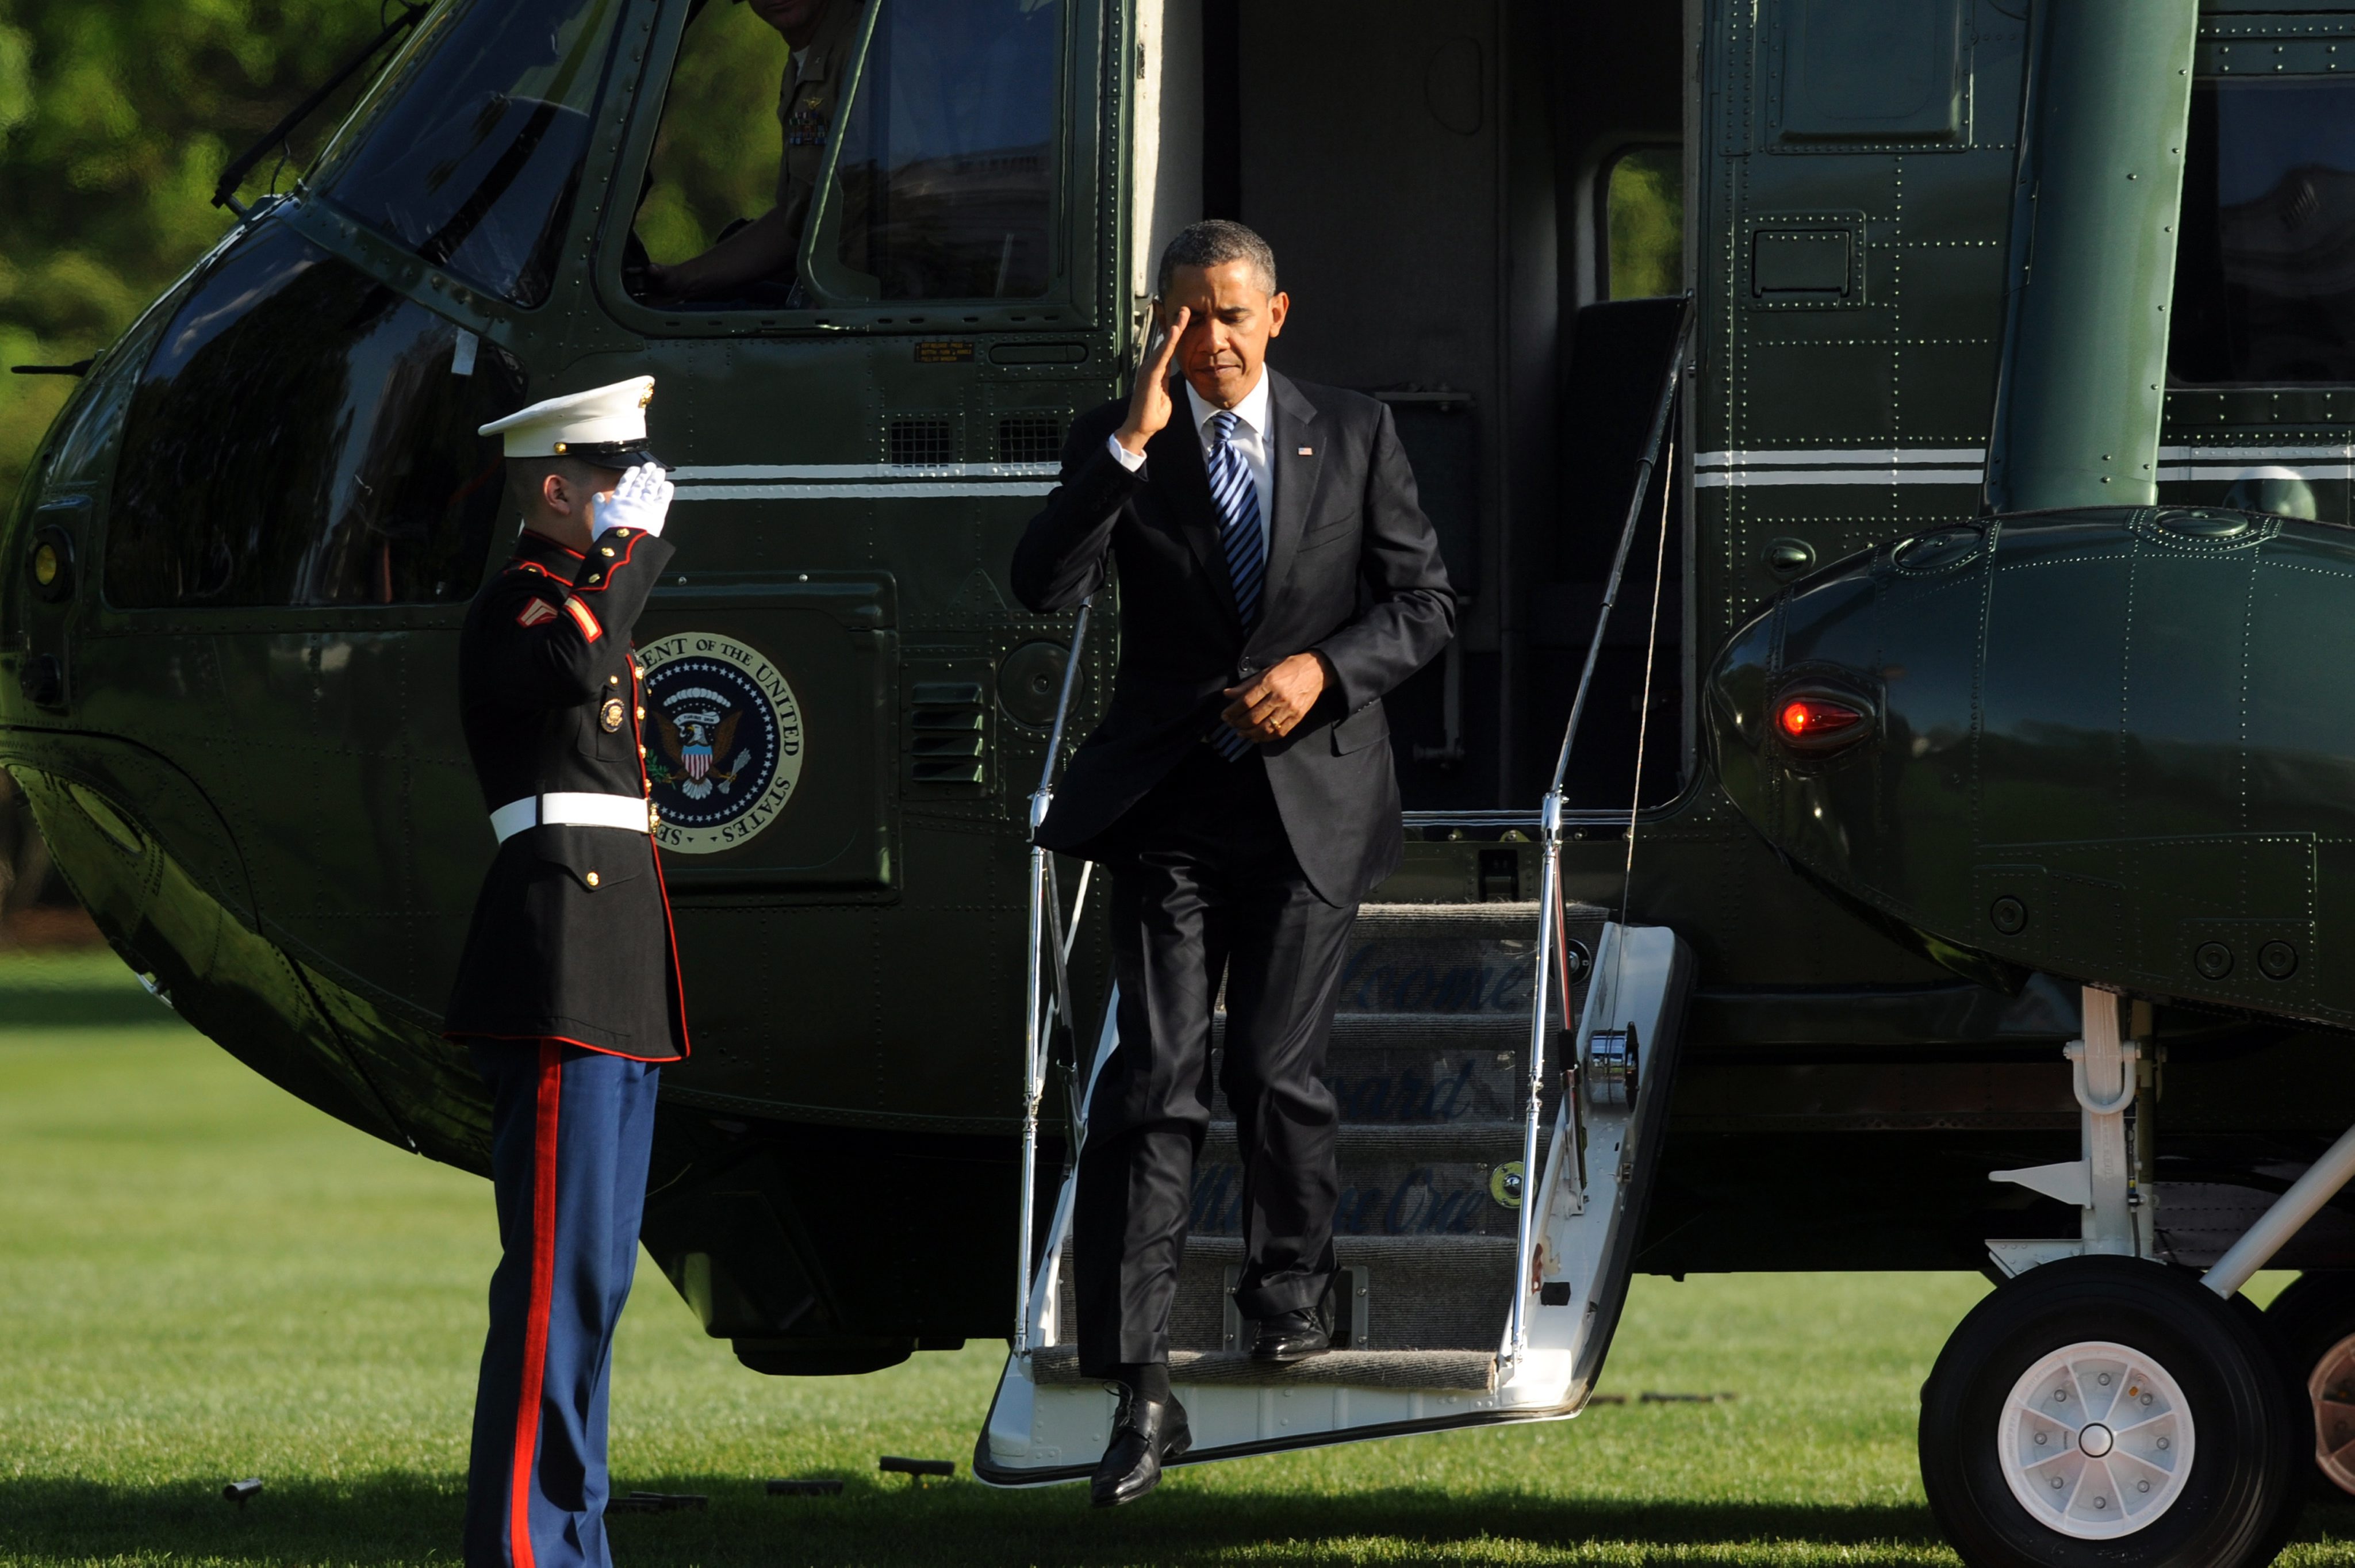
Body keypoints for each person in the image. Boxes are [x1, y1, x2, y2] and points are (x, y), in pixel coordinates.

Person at [1010, 220, 1456, 1506]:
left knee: (1271, 1066)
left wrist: (1323, 670)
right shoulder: (1120, 438)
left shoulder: (1354, 431)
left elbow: (1424, 604)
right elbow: (1042, 585)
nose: (1205, 339)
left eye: (1226, 314)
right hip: (1171, 804)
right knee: (1152, 1078)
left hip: (1313, 804)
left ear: (1275, 314)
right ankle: (1138, 1382)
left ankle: (1289, 1289)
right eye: (1181, 316)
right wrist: (1126, 445)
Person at [443, 376, 685, 1568]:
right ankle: (524, 1549)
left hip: (614, 962)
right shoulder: (522, 606)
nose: (627, 497)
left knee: (593, 1280)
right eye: (607, 479)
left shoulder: (585, 602)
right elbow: (575, 667)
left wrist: (617, 562)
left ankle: (573, 1540)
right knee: (552, 1282)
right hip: (559, 956)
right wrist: (628, 552)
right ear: (554, 487)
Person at [639, 0, 860, 304]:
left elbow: (906, 191)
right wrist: (682, 279)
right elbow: (798, 218)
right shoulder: (807, 58)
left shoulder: (864, 50)